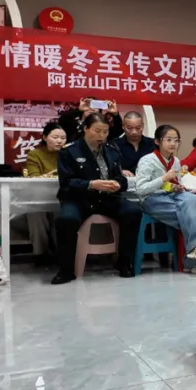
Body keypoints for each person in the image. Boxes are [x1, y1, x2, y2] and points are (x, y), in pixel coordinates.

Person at [52, 113, 141, 284]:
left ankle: (124, 261)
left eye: (105, 132)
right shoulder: (69, 151)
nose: (102, 136)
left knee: (133, 212)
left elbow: (121, 178)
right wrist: (91, 184)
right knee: (67, 219)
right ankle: (66, 269)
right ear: (86, 129)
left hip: (107, 197)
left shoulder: (112, 150)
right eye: (97, 131)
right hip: (79, 199)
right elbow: (66, 183)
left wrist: (117, 184)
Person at [134, 124, 196, 274]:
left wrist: (174, 187)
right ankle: (195, 258)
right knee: (192, 214)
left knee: (195, 201)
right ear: (157, 141)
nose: (173, 144)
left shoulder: (175, 161)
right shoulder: (147, 160)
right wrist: (164, 178)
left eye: (176, 140)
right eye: (168, 139)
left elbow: (166, 186)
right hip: (151, 199)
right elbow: (141, 189)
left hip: (170, 196)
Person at [25, 121, 68, 262]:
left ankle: (62, 253)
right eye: (55, 137)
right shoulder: (35, 154)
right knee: (35, 213)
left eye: (63, 138)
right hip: (40, 197)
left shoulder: (68, 155)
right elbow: (34, 178)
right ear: (44, 137)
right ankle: (40, 254)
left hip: (64, 197)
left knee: (63, 212)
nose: (59, 141)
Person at [59, 96, 123, 144]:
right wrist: (78, 110)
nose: (91, 108)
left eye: (95, 105)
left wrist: (115, 114)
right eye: (88, 105)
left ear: (99, 111)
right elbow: (62, 121)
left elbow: (119, 132)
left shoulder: (105, 127)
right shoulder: (72, 124)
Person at [115, 111, 156, 176]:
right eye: (129, 128)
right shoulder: (114, 145)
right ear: (123, 126)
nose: (134, 132)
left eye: (138, 128)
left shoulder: (153, 144)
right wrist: (120, 171)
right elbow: (110, 167)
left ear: (143, 126)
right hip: (125, 180)